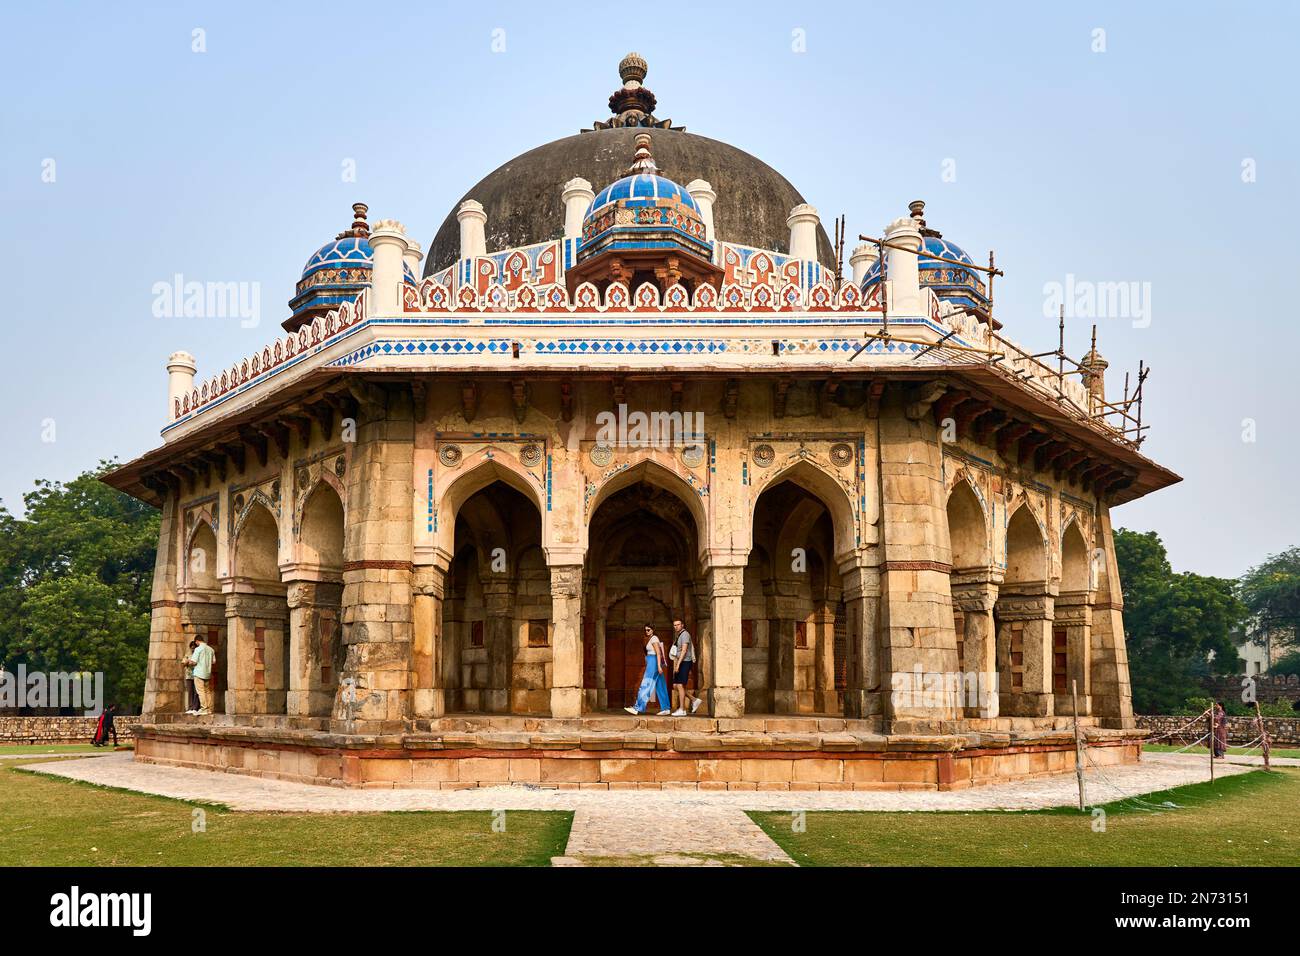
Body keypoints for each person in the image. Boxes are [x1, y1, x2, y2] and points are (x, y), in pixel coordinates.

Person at [624, 624, 672, 716]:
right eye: (645, 630)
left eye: (648, 630)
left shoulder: (654, 638)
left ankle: (638, 707)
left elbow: (658, 653)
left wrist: (658, 666)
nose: (647, 632)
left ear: (653, 630)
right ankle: (666, 708)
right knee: (660, 685)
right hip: (652, 662)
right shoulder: (652, 638)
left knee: (646, 684)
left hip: (654, 663)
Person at [669, 618, 704, 715]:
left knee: (680, 685)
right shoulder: (679, 635)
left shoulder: (684, 634)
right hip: (680, 661)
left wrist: (678, 665)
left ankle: (682, 709)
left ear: (682, 625)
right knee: (676, 685)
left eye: (678, 624)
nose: (676, 626)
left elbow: (684, 651)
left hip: (685, 661)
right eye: (675, 625)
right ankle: (694, 700)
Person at [186, 633, 217, 716]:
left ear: (197, 641)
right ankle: (209, 709)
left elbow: (194, 662)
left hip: (199, 673)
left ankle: (204, 708)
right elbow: (214, 661)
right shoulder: (211, 649)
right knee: (207, 691)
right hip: (207, 673)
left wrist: (188, 661)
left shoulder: (198, 649)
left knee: (201, 691)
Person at [183, 640, 200, 714]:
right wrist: (187, 662)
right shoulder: (187, 654)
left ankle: (195, 707)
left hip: (197, 675)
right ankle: (190, 707)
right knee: (190, 692)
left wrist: (189, 662)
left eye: (194, 648)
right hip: (189, 675)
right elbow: (183, 663)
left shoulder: (198, 654)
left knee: (196, 692)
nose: (193, 649)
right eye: (192, 648)